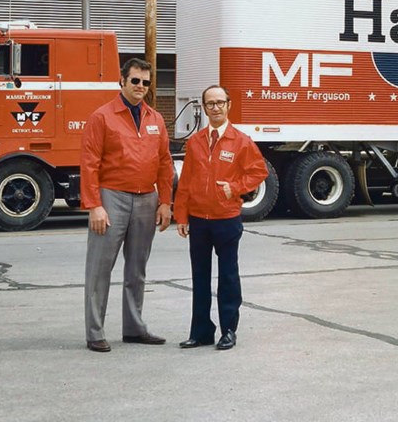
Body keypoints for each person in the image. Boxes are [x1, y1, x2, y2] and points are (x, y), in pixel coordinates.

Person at [80, 57, 174, 353]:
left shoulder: (155, 119)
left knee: (137, 268)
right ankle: (95, 331)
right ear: (122, 81)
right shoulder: (102, 117)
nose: (141, 87)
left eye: (146, 83)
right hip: (112, 198)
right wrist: (95, 205)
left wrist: (166, 203)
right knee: (100, 268)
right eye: (135, 81)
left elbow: (164, 162)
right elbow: (89, 164)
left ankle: (134, 327)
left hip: (147, 199)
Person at [175, 85, 268, 350]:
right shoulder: (195, 142)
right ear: (203, 108)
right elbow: (187, 182)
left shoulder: (241, 141)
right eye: (210, 104)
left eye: (219, 103)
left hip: (226, 219)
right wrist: (181, 215)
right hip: (199, 220)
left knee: (228, 276)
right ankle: (201, 330)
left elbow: (258, 172)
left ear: (229, 105)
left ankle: (228, 330)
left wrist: (235, 188)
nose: (215, 108)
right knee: (199, 276)